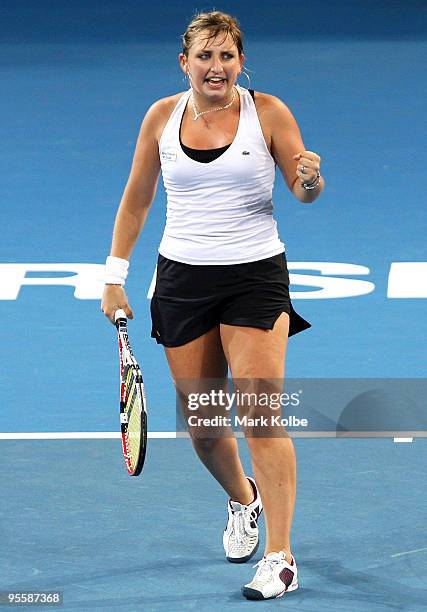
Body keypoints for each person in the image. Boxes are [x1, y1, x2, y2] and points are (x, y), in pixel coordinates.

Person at [101, 10, 324, 600]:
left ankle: (280, 556)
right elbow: (136, 200)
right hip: (182, 278)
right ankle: (243, 499)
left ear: (240, 62)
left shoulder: (268, 112)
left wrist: (310, 179)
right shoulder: (160, 117)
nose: (216, 67)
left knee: (259, 413)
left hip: (255, 275)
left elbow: (302, 190)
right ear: (185, 63)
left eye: (227, 56)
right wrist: (114, 275)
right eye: (205, 56)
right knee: (203, 425)